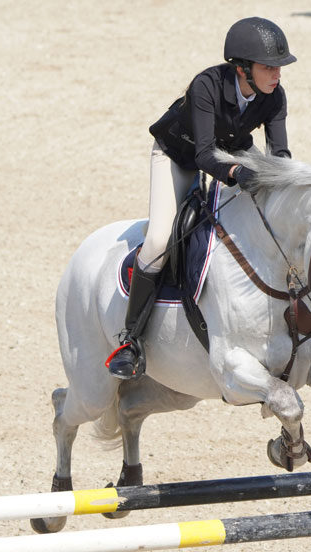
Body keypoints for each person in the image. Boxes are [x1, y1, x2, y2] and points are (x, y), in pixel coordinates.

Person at [107, 16, 297, 379]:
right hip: (178, 156)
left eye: (278, 68)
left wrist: (283, 181)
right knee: (161, 240)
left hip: (232, 152)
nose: (276, 75)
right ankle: (130, 341)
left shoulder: (274, 97)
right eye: (268, 67)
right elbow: (204, 155)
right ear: (242, 68)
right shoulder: (206, 85)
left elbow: (280, 154)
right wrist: (240, 174)